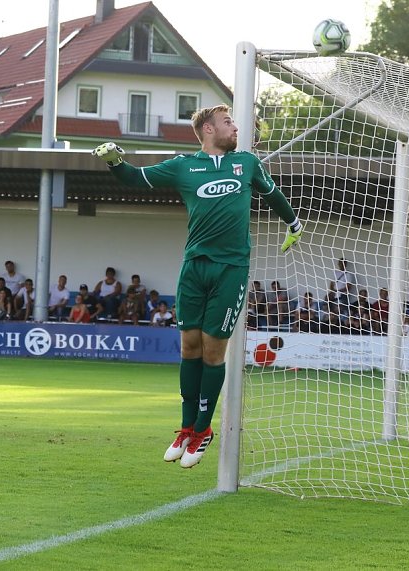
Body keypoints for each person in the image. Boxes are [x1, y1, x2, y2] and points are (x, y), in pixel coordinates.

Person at [93, 104, 303, 468]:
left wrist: (294, 223)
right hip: (193, 266)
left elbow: (272, 196)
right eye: (228, 122)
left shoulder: (247, 164)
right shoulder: (183, 166)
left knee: (211, 350)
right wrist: (114, 161)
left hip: (231, 269)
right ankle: (186, 427)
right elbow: (135, 178)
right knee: (189, 346)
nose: (235, 128)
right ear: (207, 129)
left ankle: (204, 429)